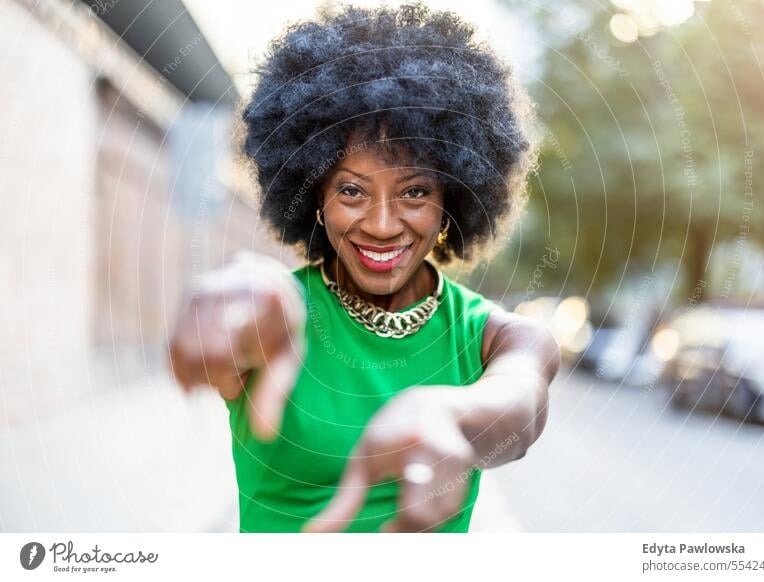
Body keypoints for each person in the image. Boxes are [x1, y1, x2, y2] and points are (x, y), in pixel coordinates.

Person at [169, 1, 559, 533]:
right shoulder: (275, 319)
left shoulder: (500, 337)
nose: (380, 224)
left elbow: (521, 405)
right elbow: (252, 295)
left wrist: (451, 415)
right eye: (351, 190)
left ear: (454, 199)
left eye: (414, 191)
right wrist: (244, 288)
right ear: (314, 197)